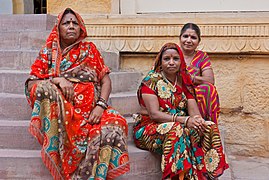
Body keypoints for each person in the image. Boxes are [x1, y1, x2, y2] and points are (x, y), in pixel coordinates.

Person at [25, 8, 130, 180]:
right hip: (63, 113)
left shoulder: (89, 49)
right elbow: (31, 83)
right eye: (66, 23)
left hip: (92, 109)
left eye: (75, 23)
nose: (71, 26)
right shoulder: (48, 52)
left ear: (81, 28)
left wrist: (100, 106)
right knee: (43, 88)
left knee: (116, 124)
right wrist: (57, 80)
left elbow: (105, 81)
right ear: (58, 28)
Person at [133, 43, 228, 180]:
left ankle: (206, 174)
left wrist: (198, 121)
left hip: (179, 124)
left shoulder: (184, 80)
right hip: (149, 128)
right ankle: (179, 177)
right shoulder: (151, 81)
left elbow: (193, 110)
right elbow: (154, 114)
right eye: (167, 59)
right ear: (160, 61)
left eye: (175, 59)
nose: (171, 63)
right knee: (177, 130)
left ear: (181, 61)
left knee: (209, 126)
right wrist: (185, 120)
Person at [179, 23, 220, 124]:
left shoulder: (201, 56)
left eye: (193, 37)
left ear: (198, 41)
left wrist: (189, 78)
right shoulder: (173, 53)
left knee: (208, 88)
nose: (188, 40)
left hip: (194, 96)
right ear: (180, 38)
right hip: (175, 92)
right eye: (185, 36)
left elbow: (210, 80)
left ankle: (206, 125)